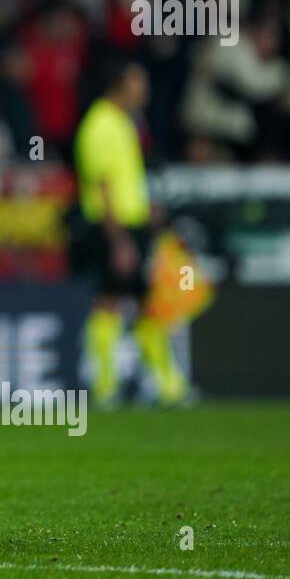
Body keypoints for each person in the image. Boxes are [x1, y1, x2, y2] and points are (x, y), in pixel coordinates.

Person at [74, 58, 188, 406]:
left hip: (132, 225)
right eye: (139, 83)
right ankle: (107, 385)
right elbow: (103, 186)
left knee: (144, 304)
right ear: (119, 84)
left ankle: (166, 386)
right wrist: (120, 240)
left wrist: (146, 212)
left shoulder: (123, 122)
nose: (145, 90)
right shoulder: (100, 125)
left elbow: (123, 180)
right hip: (113, 228)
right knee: (110, 301)